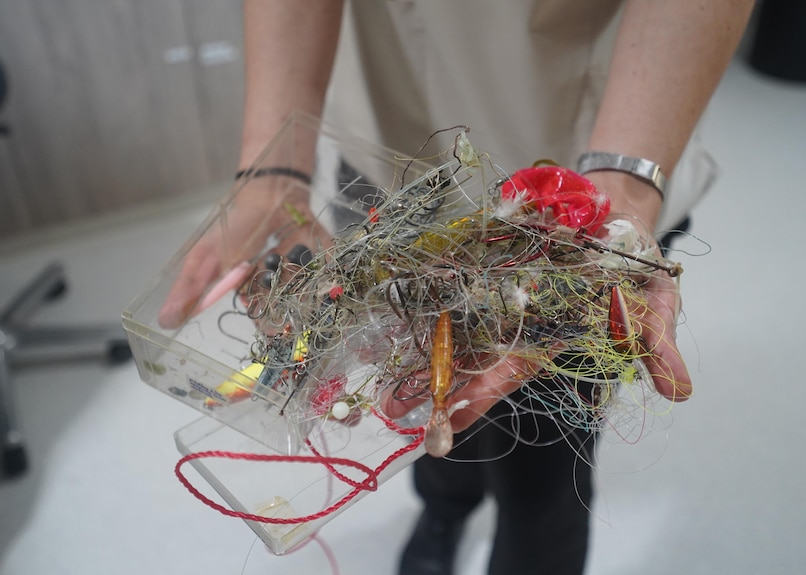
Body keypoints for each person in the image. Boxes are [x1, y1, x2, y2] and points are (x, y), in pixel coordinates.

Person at [161, 2, 754, 573]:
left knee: (543, 461)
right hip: (385, 133)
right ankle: (445, 507)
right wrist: (275, 169)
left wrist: (623, 179)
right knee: (424, 403)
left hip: (580, 175)